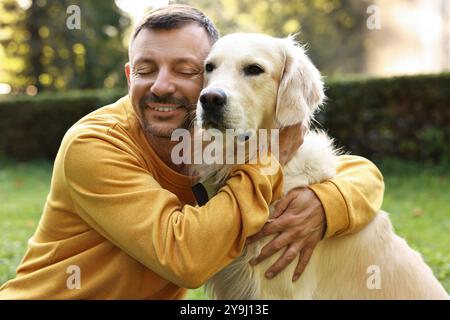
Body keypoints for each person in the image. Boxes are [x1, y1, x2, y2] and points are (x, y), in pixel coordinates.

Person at [0, 4, 384, 299]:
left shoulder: (209, 142)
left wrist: (327, 203)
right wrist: (270, 161)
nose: (162, 86)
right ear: (128, 76)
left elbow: (357, 171)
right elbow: (186, 257)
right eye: (146, 69)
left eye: (186, 70)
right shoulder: (94, 144)